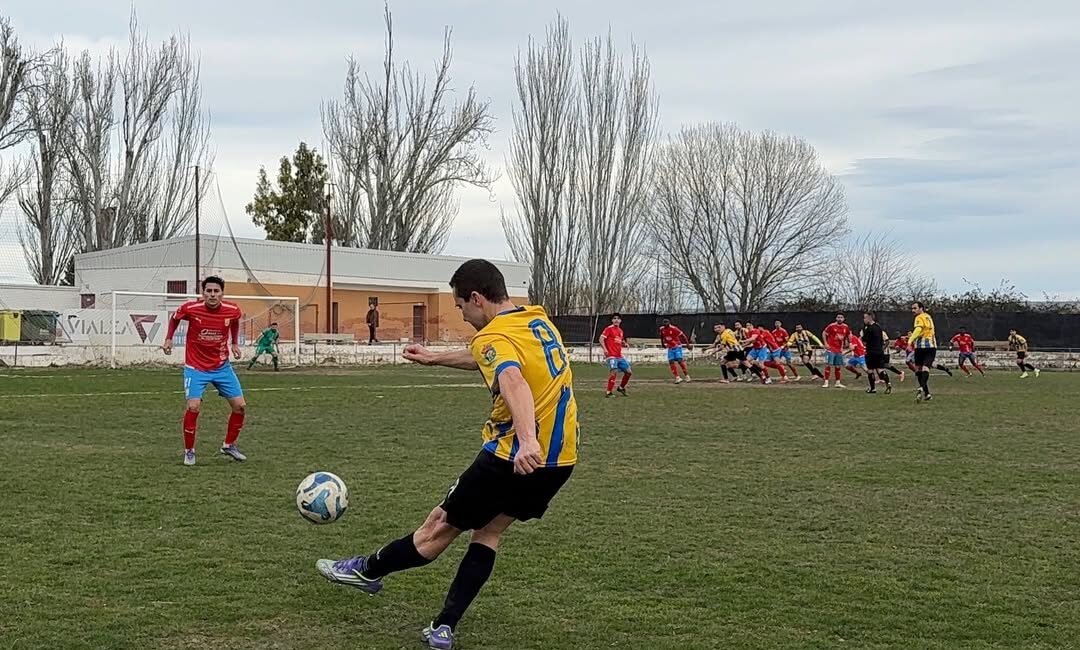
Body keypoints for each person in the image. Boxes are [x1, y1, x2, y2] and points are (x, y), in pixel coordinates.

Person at [314, 259, 577, 650]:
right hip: (559, 460)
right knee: (488, 532)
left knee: (436, 529)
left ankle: (367, 571)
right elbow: (491, 359)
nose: (462, 315)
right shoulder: (535, 320)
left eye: (460, 307)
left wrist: (526, 440)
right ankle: (443, 626)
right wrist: (434, 357)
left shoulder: (492, 337)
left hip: (512, 455)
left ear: (476, 298)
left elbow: (512, 380)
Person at [161, 276, 247, 465]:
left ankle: (229, 445)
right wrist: (168, 339)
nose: (212, 295)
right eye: (209, 291)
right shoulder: (190, 308)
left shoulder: (232, 310)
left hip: (221, 367)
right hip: (196, 368)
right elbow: (175, 319)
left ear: (222, 293)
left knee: (240, 406)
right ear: (203, 293)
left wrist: (234, 343)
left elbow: (234, 322)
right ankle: (190, 451)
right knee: (193, 407)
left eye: (216, 291)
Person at [909, 301, 938, 402]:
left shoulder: (919, 317)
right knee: (924, 368)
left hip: (922, 346)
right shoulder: (928, 316)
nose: (913, 310)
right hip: (931, 346)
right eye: (912, 308)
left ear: (921, 308)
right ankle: (927, 393)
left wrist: (910, 341)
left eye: (915, 308)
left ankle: (921, 387)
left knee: (919, 369)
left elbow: (918, 330)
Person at [601, 313, 632, 396]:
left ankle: (621, 388)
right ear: (612, 320)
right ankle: (609, 392)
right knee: (614, 371)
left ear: (620, 320)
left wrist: (624, 343)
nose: (616, 320)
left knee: (628, 372)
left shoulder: (620, 331)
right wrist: (605, 349)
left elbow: (619, 340)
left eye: (618, 318)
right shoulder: (609, 329)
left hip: (619, 356)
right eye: (614, 318)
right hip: (611, 355)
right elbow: (601, 339)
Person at [862, 312, 893, 394]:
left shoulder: (868, 328)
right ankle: (888, 383)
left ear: (869, 318)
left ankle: (873, 388)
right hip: (879, 351)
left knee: (870, 370)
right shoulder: (879, 327)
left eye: (865, 318)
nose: (864, 320)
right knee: (880, 369)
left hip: (871, 352)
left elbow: (864, 341)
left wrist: (863, 337)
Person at [822, 313, 851, 388]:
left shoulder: (846, 327)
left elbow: (848, 335)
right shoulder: (831, 326)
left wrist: (848, 342)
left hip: (839, 350)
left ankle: (838, 383)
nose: (840, 319)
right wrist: (825, 343)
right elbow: (824, 333)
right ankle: (826, 382)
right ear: (836, 318)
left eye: (841, 317)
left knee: (838, 366)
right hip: (831, 348)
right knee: (828, 365)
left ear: (843, 319)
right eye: (838, 317)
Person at [659, 318, 692, 383]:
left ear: (669, 323)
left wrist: (687, 344)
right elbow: (662, 336)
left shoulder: (674, 328)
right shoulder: (662, 329)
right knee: (671, 361)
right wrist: (662, 344)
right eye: (664, 323)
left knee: (679, 361)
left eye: (666, 323)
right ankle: (677, 377)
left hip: (677, 346)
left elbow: (683, 335)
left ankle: (687, 376)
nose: (665, 324)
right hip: (670, 347)